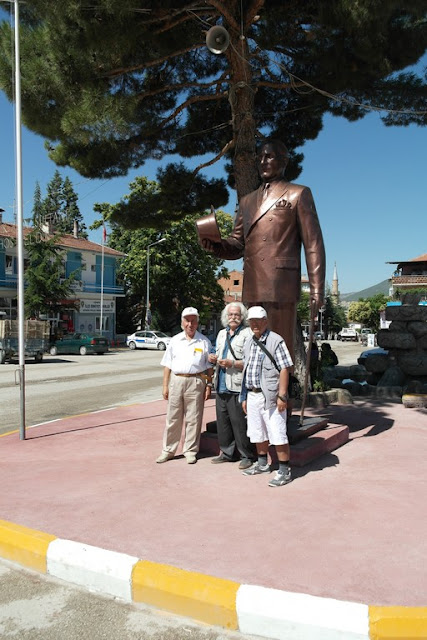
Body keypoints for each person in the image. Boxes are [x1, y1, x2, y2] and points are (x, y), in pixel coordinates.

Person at [201, 138, 325, 364]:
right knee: (255, 350)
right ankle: (255, 394)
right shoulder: (247, 201)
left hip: (281, 284)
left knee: (279, 351)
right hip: (255, 284)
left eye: (269, 156)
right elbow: (237, 243)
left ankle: (282, 395)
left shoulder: (297, 194)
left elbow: (313, 244)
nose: (263, 161)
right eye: (260, 157)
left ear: (284, 161)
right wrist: (217, 246)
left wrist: (317, 290)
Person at [240, 306, 293, 487]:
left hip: (270, 396)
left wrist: (282, 396)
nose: (254, 324)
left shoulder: (275, 340)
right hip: (253, 394)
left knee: (277, 432)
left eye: (258, 321)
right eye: (251, 321)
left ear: (265, 321)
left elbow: (285, 368)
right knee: (256, 431)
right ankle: (262, 463)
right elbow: (247, 369)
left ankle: (284, 470)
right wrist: (245, 396)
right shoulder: (249, 342)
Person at [156, 307, 214, 465]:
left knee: (193, 418)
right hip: (177, 380)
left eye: (193, 320)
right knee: (173, 418)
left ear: (197, 322)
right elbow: (167, 365)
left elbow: (209, 366)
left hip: (196, 381)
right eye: (187, 320)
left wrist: (209, 385)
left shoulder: (204, 341)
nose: (190, 324)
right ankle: (168, 450)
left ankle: (190, 451)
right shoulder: (174, 340)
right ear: (182, 322)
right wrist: (165, 386)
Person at [208, 302, 257, 470]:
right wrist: (213, 357)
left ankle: (246, 455)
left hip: (237, 385)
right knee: (223, 422)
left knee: (239, 423)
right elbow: (217, 350)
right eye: (230, 315)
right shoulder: (221, 334)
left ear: (242, 317)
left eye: (236, 315)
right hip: (220, 384)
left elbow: (251, 361)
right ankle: (227, 453)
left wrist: (233, 363)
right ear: (226, 317)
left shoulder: (247, 334)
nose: (233, 317)